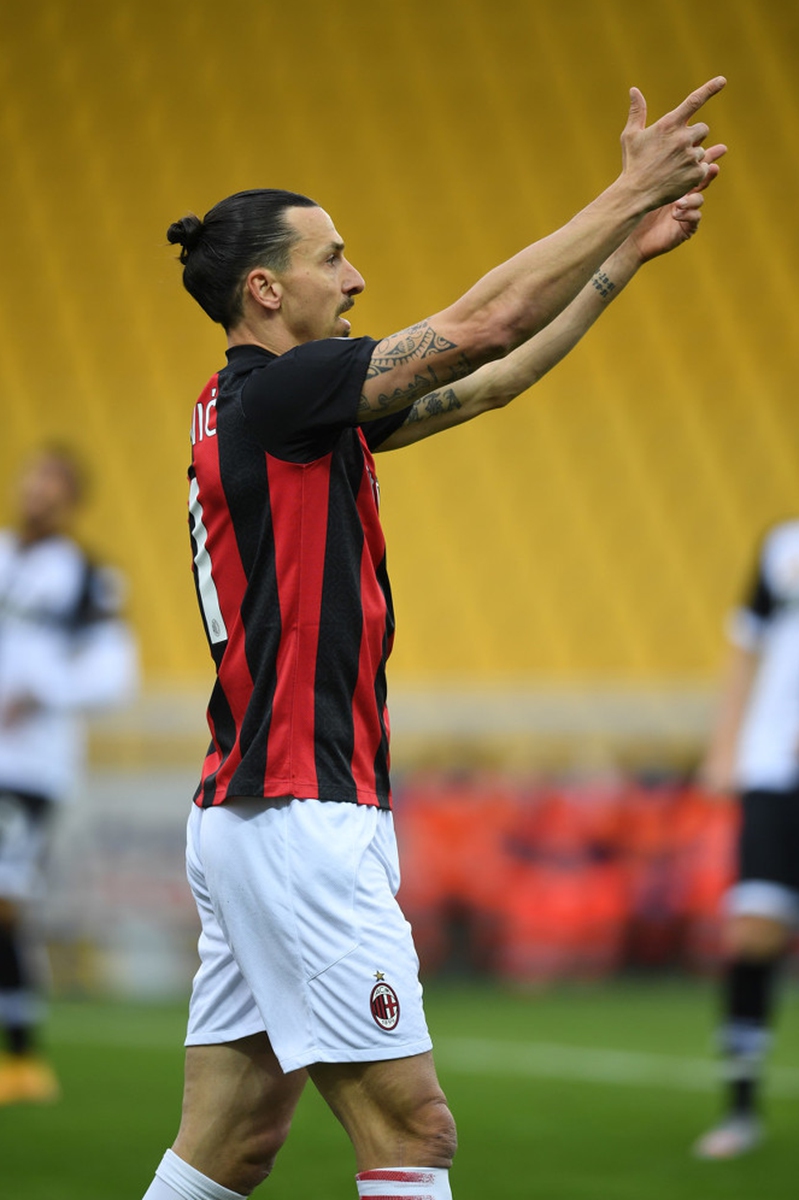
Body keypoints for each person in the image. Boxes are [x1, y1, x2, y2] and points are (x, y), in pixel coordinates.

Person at [143, 77, 726, 1200]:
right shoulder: (286, 397)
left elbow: (490, 378)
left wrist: (623, 260)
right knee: (414, 1133)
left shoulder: (273, 409)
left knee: (229, 1146)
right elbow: (482, 322)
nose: (356, 277)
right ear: (265, 289)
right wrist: (622, 192)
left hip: (251, 812)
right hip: (302, 814)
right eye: (332, 258)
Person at [0, 445, 139, 1105]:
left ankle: (22, 1061)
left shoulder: (87, 577)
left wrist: (42, 689)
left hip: (29, 765)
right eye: (35, 475)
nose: (39, 489)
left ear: (70, 497)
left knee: (4, 895)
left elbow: (115, 674)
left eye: (54, 480)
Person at [693, 518, 799, 1159]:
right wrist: (725, 746)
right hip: (772, 771)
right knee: (752, 930)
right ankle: (740, 1110)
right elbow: (747, 647)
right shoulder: (783, 546)